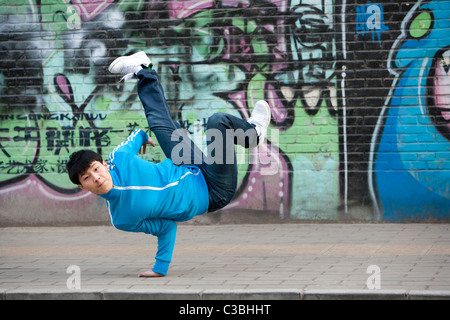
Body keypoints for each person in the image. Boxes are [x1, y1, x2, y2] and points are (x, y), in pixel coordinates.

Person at [66, 51, 271, 277]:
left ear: (104, 164)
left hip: (185, 164)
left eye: (96, 169)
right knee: (218, 122)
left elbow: (137, 134)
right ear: (82, 187)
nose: (96, 178)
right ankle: (254, 134)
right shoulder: (122, 218)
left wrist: (146, 138)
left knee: (158, 122)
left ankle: (143, 69)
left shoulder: (120, 157)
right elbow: (166, 228)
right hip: (213, 192)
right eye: (87, 178)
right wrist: (159, 269)